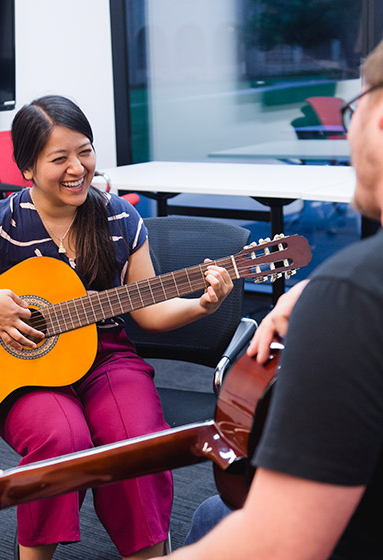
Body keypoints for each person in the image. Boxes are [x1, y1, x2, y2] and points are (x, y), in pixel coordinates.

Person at [0, 95, 234, 560]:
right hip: (19, 366)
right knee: (63, 439)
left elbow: (149, 313)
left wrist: (202, 305)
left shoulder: (119, 217)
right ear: (27, 168)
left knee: (137, 440)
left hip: (106, 355)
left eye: (86, 150)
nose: (78, 168)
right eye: (59, 158)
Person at [150, 40, 383, 560]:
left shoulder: (352, 298)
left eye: (354, 109)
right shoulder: (349, 292)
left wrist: (336, 296)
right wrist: (311, 289)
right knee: (213, 511)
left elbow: (279, 541)